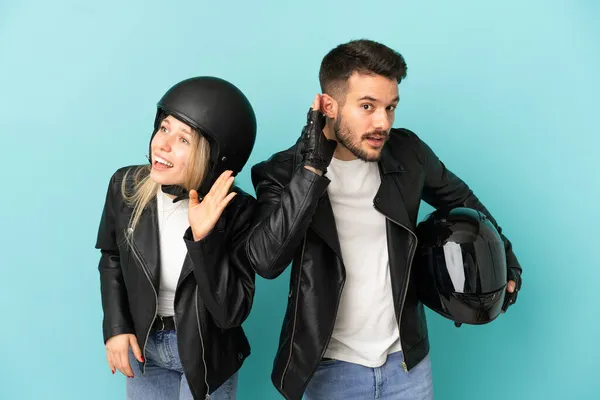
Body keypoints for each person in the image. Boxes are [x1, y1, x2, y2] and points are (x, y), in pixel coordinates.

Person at [245, 39, 522, 400]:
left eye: (390, 107)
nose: (383, 122)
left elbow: (464, 202)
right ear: (328, 105)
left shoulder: (408, 153)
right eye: (367, 106)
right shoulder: (284, 172)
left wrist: (507, 262)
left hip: (406, 364)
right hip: (328, 369)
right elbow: (265, 260)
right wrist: (312, 169)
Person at [95, 76, 257, 400]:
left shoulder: (239, 211)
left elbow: (230, 313)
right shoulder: (124, 186)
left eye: (184, 140)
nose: (162, 144)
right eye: (164, 128)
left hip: (206, 355)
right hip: (146, 348)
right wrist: (115, 327)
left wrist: (202, 237)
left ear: (214, 156)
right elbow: (112, 257)